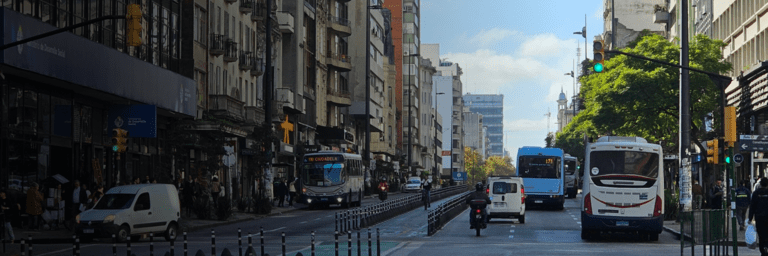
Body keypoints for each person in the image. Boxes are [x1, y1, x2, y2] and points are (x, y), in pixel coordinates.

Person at [749, 178, 768, 256]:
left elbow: (752, 206)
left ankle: (763, 251)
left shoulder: (756, 193)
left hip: (759, 218)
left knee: (761, 235)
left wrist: (750, 218)